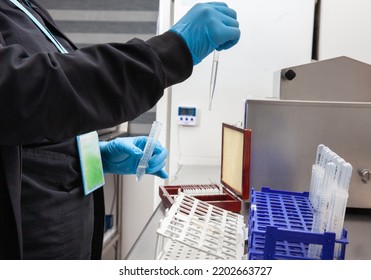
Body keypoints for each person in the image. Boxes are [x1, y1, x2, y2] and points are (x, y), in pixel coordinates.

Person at [0, 1, 240, 259]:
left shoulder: (25, 8)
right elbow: (21, 91)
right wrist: (167, 53)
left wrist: (95, 157)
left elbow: (46, 115)